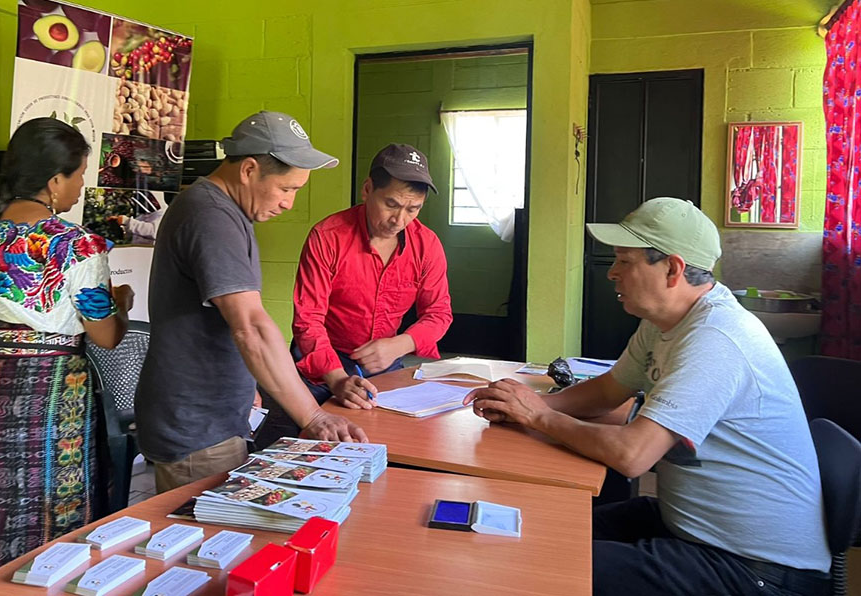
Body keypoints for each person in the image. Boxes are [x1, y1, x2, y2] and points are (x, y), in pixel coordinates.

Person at [465, 198, 830, 596]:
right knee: (542, 533)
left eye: (625, 261)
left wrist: (539, 416)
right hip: (691, 527)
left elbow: (633, 455)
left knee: (546, 569)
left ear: (672, 269)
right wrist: (524, 405)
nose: (612, 272)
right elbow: (608, 391)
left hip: (756, 569)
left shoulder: (717, 337)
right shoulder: (664, 322)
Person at [0, 117, 134, 584]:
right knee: (53, 513)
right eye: (79, 176)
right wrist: (120, 303)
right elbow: (106, 336)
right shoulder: (76, 245)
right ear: (54, 181)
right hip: (48, 398)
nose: (80, 187)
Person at [135, 111, 368, 494]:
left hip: (213, 417)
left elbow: (226, 325)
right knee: (210, 530)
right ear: (248, 170)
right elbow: (251, 327)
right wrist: (313, 416)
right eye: (286, 189)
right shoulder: (211, 216)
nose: (289, 203)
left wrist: (248, 385)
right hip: (199, 430)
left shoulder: (223, 210)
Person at [292, 143, 453, 409]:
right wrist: (337, 379)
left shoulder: (427, 245)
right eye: (391, 204)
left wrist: (400, 345)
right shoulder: (327, 237)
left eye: (413, 209)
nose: (399, 220)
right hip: (324, 362)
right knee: (314, 428)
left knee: (391, 429)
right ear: (367, 190)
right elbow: (308, 319)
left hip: (387, 359)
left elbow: (438, 313)